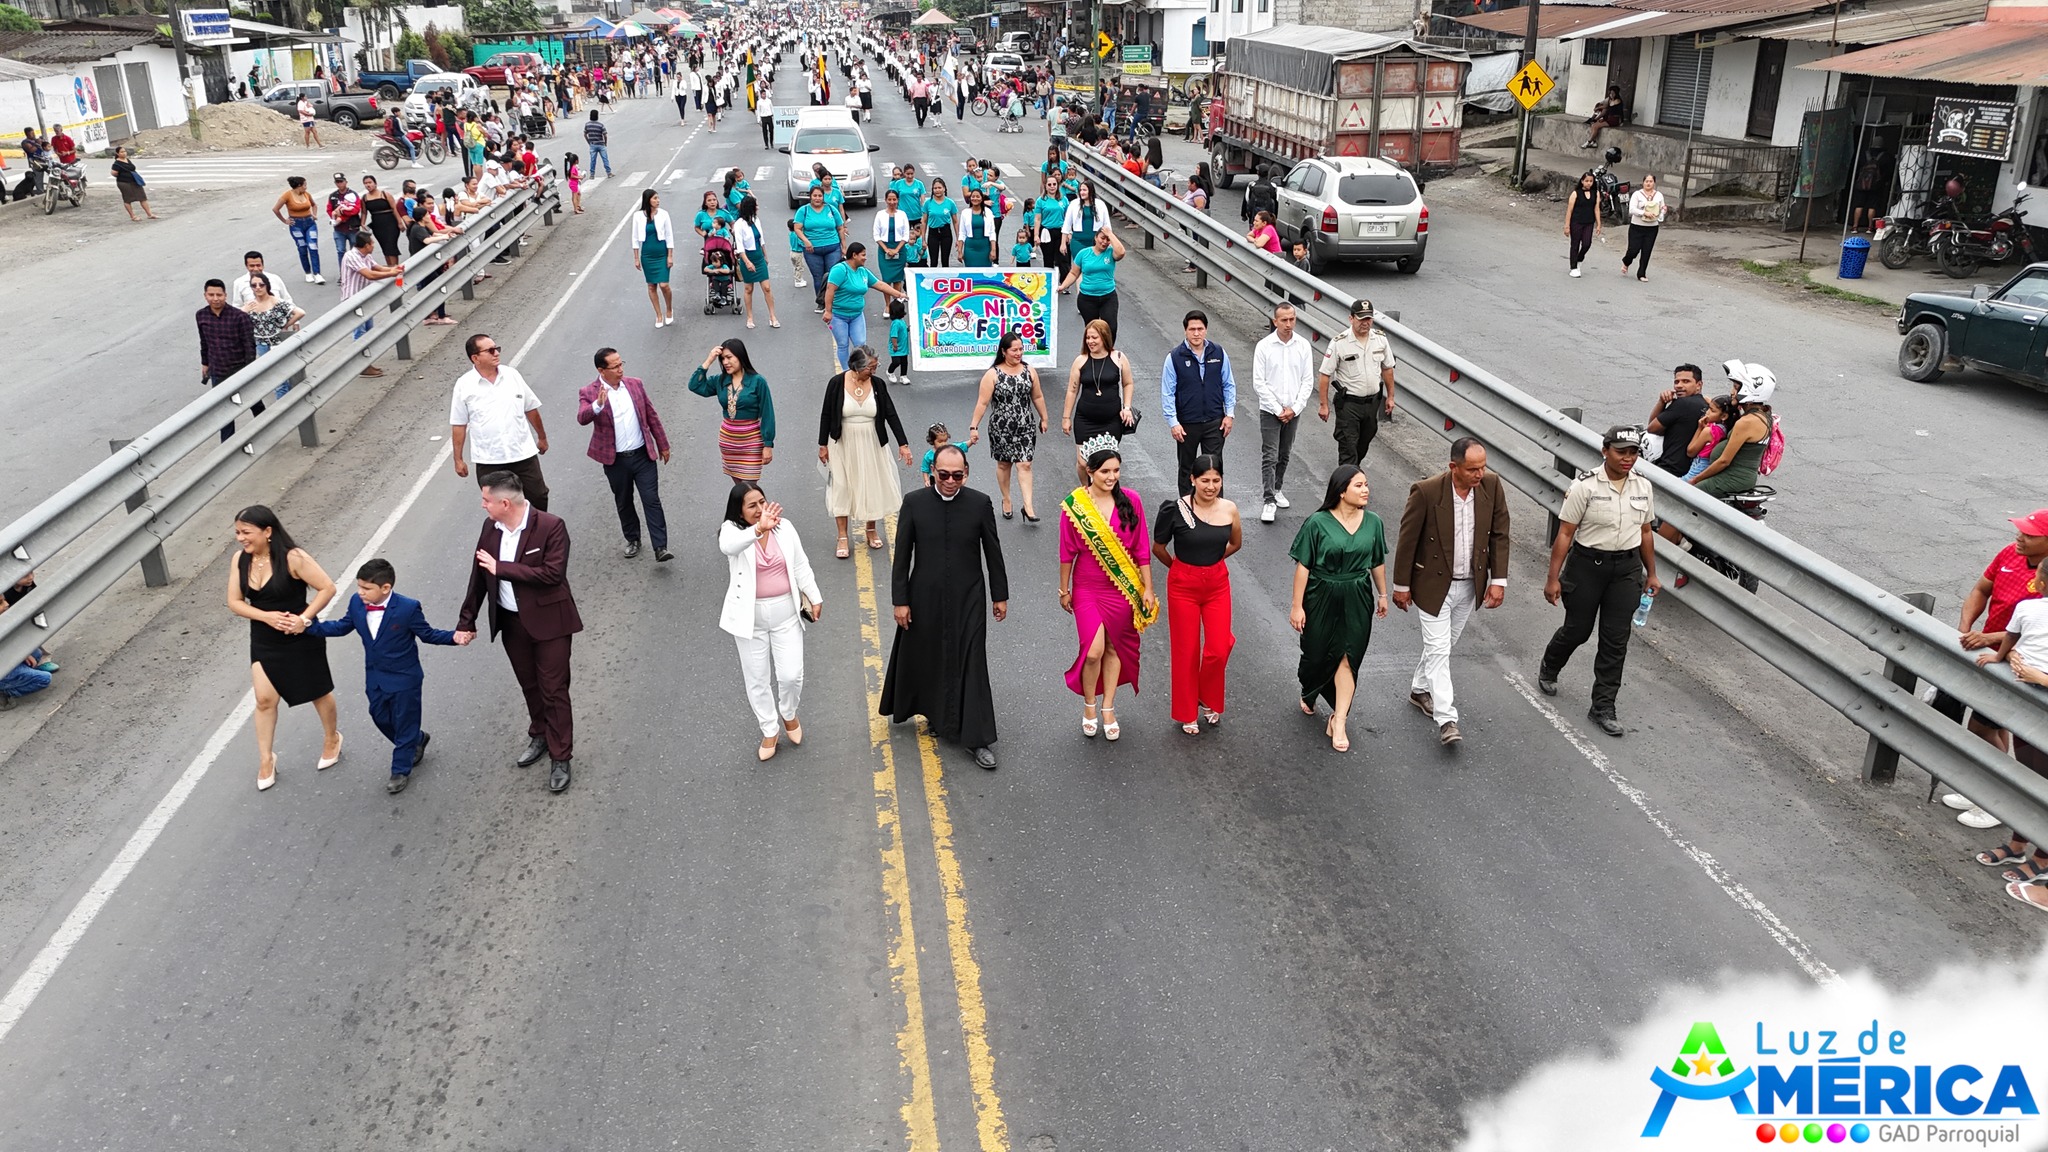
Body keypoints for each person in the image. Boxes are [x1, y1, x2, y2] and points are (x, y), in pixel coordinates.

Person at [880, 445, 1011, 771]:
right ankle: (938, 716)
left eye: (957, 475)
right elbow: (902, 557)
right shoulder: (914, 503)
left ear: (966, 473)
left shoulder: (980, 503)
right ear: (933, 473)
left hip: (969, 597)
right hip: (924, 597)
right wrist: (900, 601)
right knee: (932, 656)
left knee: (971, 660)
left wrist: (1000, 595)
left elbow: (992, 552)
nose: (950, 481)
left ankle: (978, 739)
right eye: (943, 475)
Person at [453, 472, 581, 793]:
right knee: (529, 685)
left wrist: (503, 569)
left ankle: (560, 756)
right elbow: (478, 577)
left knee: (554, 690)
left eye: (486, 500)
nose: (482, 505)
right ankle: (540, 734)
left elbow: (552, 574)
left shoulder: (551, 526)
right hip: (511, 623)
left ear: (505, 503)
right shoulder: (490, 529)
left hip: (550, 623)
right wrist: (467, 621)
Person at [1537, 425, 1662, 737]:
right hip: (1586, 567)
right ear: (1605, 451)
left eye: (1633, 453)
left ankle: (1603, 707)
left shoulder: (1643, 486)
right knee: (1578, 630)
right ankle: (1551, 664)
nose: (1628, 458)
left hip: (1626, 570)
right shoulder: (1585, 486)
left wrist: (1652, 573)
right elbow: (1565, 533)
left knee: (1615, 641)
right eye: (1621, 452)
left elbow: (1646, 531)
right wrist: (1553, 579)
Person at [305, 558, 465, 793]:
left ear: (386, 588)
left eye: (366, 588)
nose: (360, 592)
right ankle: (416, 739)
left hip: (404, 678)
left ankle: (400, 769)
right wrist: (309, 625)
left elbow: (428, 634)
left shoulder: (407, 608)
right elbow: (342, 626)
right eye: (359, 586)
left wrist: (455, 637)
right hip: (375, 676)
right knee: (379, 716)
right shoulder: (357, 603)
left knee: (405, 722)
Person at [1931, 511, 2048, 830]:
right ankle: (1985, 790)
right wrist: (1964, 630)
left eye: (2030, 534)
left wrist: (1989, 639)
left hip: (2020, 667)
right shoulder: (2010, 553)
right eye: (2020, 530)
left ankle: (1999, 801)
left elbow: (2035, 629)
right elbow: (1981, 590)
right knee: (1996, 727)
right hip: (1991, 657)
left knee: (1981, 728)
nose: (2020, 537)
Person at [1391, 438, 1511, 746]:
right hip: (1433, 586)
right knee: (1439, 650)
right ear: (1453, 467)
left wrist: (1498, 580)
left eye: (1483, 467)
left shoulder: (1492, 485)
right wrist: (1401, 586)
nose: (1479, 474)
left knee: (1443, 646)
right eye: (1472, 469)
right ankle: (1447, 720)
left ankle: (1419, 689)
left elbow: (1500, 535)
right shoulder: (1426, 491)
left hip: (1470, 585)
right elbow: (1407, 540)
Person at [226, 505, 343, 791]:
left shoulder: (294, 557)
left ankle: (332, 738)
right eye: (237, 532)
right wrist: (266, 617)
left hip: (300, 636)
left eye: (246, 532)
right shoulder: (240, 560)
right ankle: (266, 759)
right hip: (264, 639)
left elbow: (327, 588)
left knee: (318, 691)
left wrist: (304, 620)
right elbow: (235, 602)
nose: (240, 538)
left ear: (267, 531)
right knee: (265, 699)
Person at [1059, 438, 1156, 741]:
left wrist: (1148, 588)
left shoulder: (1131, 500)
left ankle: (1108, 707)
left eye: (1116, 470)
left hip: (1121, 590)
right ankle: (1089, 705)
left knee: (1114, 647)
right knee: (1093, 651)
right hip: (1087, 587)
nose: (1112, 477)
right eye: (1105, 471)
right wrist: (1063, 589)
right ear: (1089, 471)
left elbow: (1141, 549)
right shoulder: (1076, 505)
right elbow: (1067, 552)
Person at [1289, 466, 1390, 753]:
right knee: (1316, 656)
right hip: (1321, 595)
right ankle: (1311, 690)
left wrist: (1383, 594)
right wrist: (1297, 606)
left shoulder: (1374, 522)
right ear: (1341, 491)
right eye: (1358, 485)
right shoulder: (1317, 523)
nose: (1365, 490)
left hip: (1357, 597)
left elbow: (1377, 561)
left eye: (1366, 484)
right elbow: (1303, 566)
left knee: (1348, 656)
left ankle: (1340, 719)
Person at [1151, 453, 1240, 735]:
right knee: (1186, 651)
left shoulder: (1230, 509)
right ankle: (1187, 711)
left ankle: (1206, 696)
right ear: (1192, 480)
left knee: (1219, 647)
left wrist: (1212, 561)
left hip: (1217, 583)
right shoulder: (1175, 510)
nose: (1211, 486)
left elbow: (1235, 543)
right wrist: (1179, 568)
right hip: (1183, 586)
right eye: (1204, 480)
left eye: (1216, 480)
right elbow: (1158, 548)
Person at [579, 346, 673, 562]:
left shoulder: (635, 384)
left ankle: (660, 547)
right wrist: (598, 405)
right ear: (601, 370)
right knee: (624, 501)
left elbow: (651, 415)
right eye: (615, 366)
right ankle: (633, 539)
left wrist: (663, 444)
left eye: (621, 364)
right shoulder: (589, 392)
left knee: (651, 499)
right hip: (616, 461)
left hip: (642, 456)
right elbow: (582, 417)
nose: (620, 369)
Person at [819, 345, 913, 557]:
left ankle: (871, 529)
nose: (874, 370)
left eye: (875, 366)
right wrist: (822, 444)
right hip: (842, 443)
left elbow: (890, 413)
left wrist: (903, 444)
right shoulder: (836, 383)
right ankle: (842, 537)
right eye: (870, 367)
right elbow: (826, 414)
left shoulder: (878, 384)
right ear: (856, 367)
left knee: (871, 484)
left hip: (872, 442)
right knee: (842, 487)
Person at [450, 333, 552, 510]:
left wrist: (542, 437)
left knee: (538, 496)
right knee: (500, 507)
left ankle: (535, 528)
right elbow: (459, 424)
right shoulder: (464, 385)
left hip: (522, 454)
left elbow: (530, 408)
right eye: (490, 351)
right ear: (475, 358)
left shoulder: (512, 375)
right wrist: (458, 459)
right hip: (490, 460)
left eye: (496, 349)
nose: (496, 353)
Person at [967, 331, 1051, 522]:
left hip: (1025, 425)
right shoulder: (992, 374)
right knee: (1004, 464)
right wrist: (974, 427)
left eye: (1021, 349)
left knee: (1025, 464)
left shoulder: (1029, 371)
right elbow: (982, 403)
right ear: (1004, 351)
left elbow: (1037, 396)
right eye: (1014, 350)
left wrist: (1044, 418)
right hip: (1001, 427)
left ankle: (1028, 506)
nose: (1019, 353)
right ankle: (1006, 499)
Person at [1162, 310, 1235, 498]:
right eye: (1192, 329)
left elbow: (1228, 384)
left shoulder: (1218, 353)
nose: (1196, 333)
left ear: (1206, 330)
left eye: (1200, 329)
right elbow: (1168, 393)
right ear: (1185, 331)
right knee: (1186, 468)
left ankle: (1216, 507)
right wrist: (1173, 423)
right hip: (1187, 424)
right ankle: (1187, 508)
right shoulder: (1174, 357)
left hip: (1214, 421)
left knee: (1214, 467)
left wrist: (1229, 414)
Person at [1252, 301, 1315, 523]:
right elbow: (1259, 382)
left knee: (1285, 453)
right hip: (1270, 410)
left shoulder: (1303, 346)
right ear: (1275, 321)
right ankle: (1268, 499)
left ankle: (1277, 488)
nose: (1289, 324)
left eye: (1292, 319)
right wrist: (1278, 409)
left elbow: (1307, 380)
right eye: (1284, 320)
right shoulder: (1264, 346)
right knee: (1270, 455)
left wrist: (1294, 409)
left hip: (1293, 410)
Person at [1316, 298, 1397, 467]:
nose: (1365, 323)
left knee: (1364, 441)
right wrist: (1323, 405)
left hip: (1372, 403)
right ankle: (1348, 477)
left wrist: (1390, 397)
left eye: (1369, 319)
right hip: (1349, 405)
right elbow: (1325, 375)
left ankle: (1354, 469)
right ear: (1351, 318)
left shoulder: (1380, 340)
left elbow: (1387, 369)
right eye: (1361, 319)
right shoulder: (1339, 343)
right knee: (1348, 444)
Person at [690, 338, 776, 483]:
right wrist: (709, 360)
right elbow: (695, 386)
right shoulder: (720, 380)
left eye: (729, 357)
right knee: (739, 490)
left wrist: (768, 444)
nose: (725, 362)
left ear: (740, 356)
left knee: (749, 488)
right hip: (728, 443)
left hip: (751, 442)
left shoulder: (757, 381)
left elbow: (768, 413)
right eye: (722, 359)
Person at [821, 242, 909, 371]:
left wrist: (899, 294)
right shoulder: (840, 270)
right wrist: (828, 311)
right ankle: (846, 372)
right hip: (838, 316)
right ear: (854, 255)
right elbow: (830, 289)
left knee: (860, 344)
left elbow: (880, 285)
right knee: (843, 344)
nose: (865, 258)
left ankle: (860, 369)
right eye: (863, 255)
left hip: (857, 315)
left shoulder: (863, 272)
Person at [198, 278, 263, 444]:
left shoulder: (239, 317)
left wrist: (250, 370)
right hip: (218, 371)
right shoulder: (201, 315)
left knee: (254, 403)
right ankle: (227, 445)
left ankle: (266, 430)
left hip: (240, 368)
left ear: (225, 295)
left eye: (219, 295)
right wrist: (205, 363)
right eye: (211, 295)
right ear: (205, 296)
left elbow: (249, 345)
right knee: (224, 412)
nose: (215, 298)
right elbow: (204, 342)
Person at [1058, 224, 1127, 341]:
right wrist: (1063, 286)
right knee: (1092, 331)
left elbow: (1121, 252)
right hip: (1087, 298)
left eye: (1107, 240)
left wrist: (1110, 234)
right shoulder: (1083, 254)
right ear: (1095, 237)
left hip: (1108, 297)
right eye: (1102, 238)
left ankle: (1108, 350)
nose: (1104, 242)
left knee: (1111, 328)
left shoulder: (1111, 253)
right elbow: (1074, 273)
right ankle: (1093, 351)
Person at [1646, 363, 1707, 477]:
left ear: (1699, 385)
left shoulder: (1682, 404)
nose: (1679, 386)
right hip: (1689, 471)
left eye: (1686, 381)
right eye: (1676, 382)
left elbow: (1652, 428)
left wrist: (1661, 402)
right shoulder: (1706, 406)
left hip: (1669, 470)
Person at [794, 184, 848, 312]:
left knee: (832, 275)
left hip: (832, 247)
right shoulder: (803, 211)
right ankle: (821, 301)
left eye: (820, 196)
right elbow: (797, 228)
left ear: (823, 197)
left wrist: (844, 246)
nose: (817, 198)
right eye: (815, 196)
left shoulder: (831, 209)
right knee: (818, 277)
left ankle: (833, 301)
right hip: (812, 250)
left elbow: (840, 228)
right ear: (810, 197)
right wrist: (806, 241)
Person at [731, 194, 779, 330]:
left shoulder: (756, 220)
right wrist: (747, 262)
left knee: (767, 288)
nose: (757, 207)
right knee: (749, 288)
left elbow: (761, 240)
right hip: (747, 256)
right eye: (755, 205)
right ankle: (750, 317)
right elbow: (740, 246)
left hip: (758, 256)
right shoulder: (739, 224)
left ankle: (772, 316)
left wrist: (765, 255)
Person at [632, 188, 677, 329]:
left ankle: (669, 309)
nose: (658, 201)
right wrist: (636, 258)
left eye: (658, 198)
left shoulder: (664, 214)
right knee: (651, 286)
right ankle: (658, 315)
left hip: (661, 252)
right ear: (648, 200)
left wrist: (670, 255)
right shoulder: (638, 216)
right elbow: (635, 238)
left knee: (664, 285)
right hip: (647, 254)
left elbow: (669, 235)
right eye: (655, 198)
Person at [272, 176, 323, 283]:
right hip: (296, 225)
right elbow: (275, 209)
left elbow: (314, 205)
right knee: (302, 248)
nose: (306, 187)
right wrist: (285, 221)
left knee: (313, 247)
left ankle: (317, 274)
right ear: (299, 186)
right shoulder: (287, 195)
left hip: (310, 223)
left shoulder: (306, 194)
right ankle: (308, 273)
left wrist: (314, 214)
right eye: (305, 185)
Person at [242, 273, 304, 360]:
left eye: (261, 285)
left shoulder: (276, 301)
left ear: (267, 285)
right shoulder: (250, 305)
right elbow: (235, 322)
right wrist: (243, 311)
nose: (258, 287)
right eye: (254, 285)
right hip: (261, 344)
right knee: (266, 365)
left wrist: (286, 325)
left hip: (278, 341)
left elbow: (300, 313)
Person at [1622, 174, 1665, 282]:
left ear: (1654, 183)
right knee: (1633, 250)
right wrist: (1644, 213)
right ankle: (1626, 262)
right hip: (1637, 226)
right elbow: (1632, 209)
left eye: (1651, 181)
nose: (1648, 183)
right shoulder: (1637, 194)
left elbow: (1663, 207)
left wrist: (1662, 213)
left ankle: (1642, 273)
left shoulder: (1659, 195)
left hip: (1652, 227)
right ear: (1643, 182)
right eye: (1646, 181)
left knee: (1647, 250)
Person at [326, 173, 365, 278]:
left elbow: (356, 210)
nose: (339, 184)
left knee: (354, 252)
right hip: (339, 229)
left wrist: (342, 215)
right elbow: (329, 209)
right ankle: (343, 274)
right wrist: (335, 216)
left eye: (341, 181)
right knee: (341, 251)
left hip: (352, 228)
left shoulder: (353, 194)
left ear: (346, 182)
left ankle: (356, 273)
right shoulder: (333, 196)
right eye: (337, 182)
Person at [874, 188, 913, 287]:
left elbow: (906, 234)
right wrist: (886, 249)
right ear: (885, 200)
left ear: (898, 200)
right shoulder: (880, 214)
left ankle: (897, 297)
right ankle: (888, 298)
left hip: (899, 249)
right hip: (884, 249)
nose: (892, 202)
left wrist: (896, 250)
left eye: (894, 199)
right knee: (886, 279)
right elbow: (876, 235)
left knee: (897, 279)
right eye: (889, 199)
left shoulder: (902, 214)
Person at [1565, 170, 1601, 276]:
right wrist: (1567, 225)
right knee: (1575, 244)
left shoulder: (1596, 193)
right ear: (1582, 181)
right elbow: (1569, 210)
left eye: (1591, 181)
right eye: (1586, 181)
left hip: (1589, 222)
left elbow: (1596, 209)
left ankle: (1579, 259)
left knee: (1586, 244)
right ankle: (1573, 267)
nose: (1589, 183)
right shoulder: (1576, 193)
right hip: (1576, 222)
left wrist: (1599, 224)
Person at [110, 146, 156, 221]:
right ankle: (133, 216)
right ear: (117, 154)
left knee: (142, 197)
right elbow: (114, 173)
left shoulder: (127, 160)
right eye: (122, 152)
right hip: (124, 183)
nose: (124, 153)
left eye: (124, 151)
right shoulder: (116, 164)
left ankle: (149, 214)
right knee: (128, 199)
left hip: (134, 181)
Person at [923, 177, 957, 269]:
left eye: (939, 188)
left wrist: (958, 239)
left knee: (945, 261)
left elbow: (955, 222)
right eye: (935, 188)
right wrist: (923, 239)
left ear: (944, 189)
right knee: (933, 261)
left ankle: (945, 277)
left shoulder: (950, 203)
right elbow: (924, 221)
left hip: (946, 232)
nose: (937, 190)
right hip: (933, 232)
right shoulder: (928, 203)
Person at [886, 297, 911, 385]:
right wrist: (895, 345)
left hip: (903, 346)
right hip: (896, 347)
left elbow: (902, 331)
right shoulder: (896, 323)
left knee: (904, 362)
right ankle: (890, 371)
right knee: (896, 361)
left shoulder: (901, 321)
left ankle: (903, 376)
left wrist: (907, 329)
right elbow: (893, 336)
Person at [583, 109, 613, 177]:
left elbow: (585, 134)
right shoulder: (600, 125)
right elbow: (605, 135)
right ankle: (609, 173)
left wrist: (589, 142)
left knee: (593, 160)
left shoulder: (587, 124)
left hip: (592, 144)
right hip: (601, 144)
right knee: (605, 159)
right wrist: (605, 143)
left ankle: (592, 174)